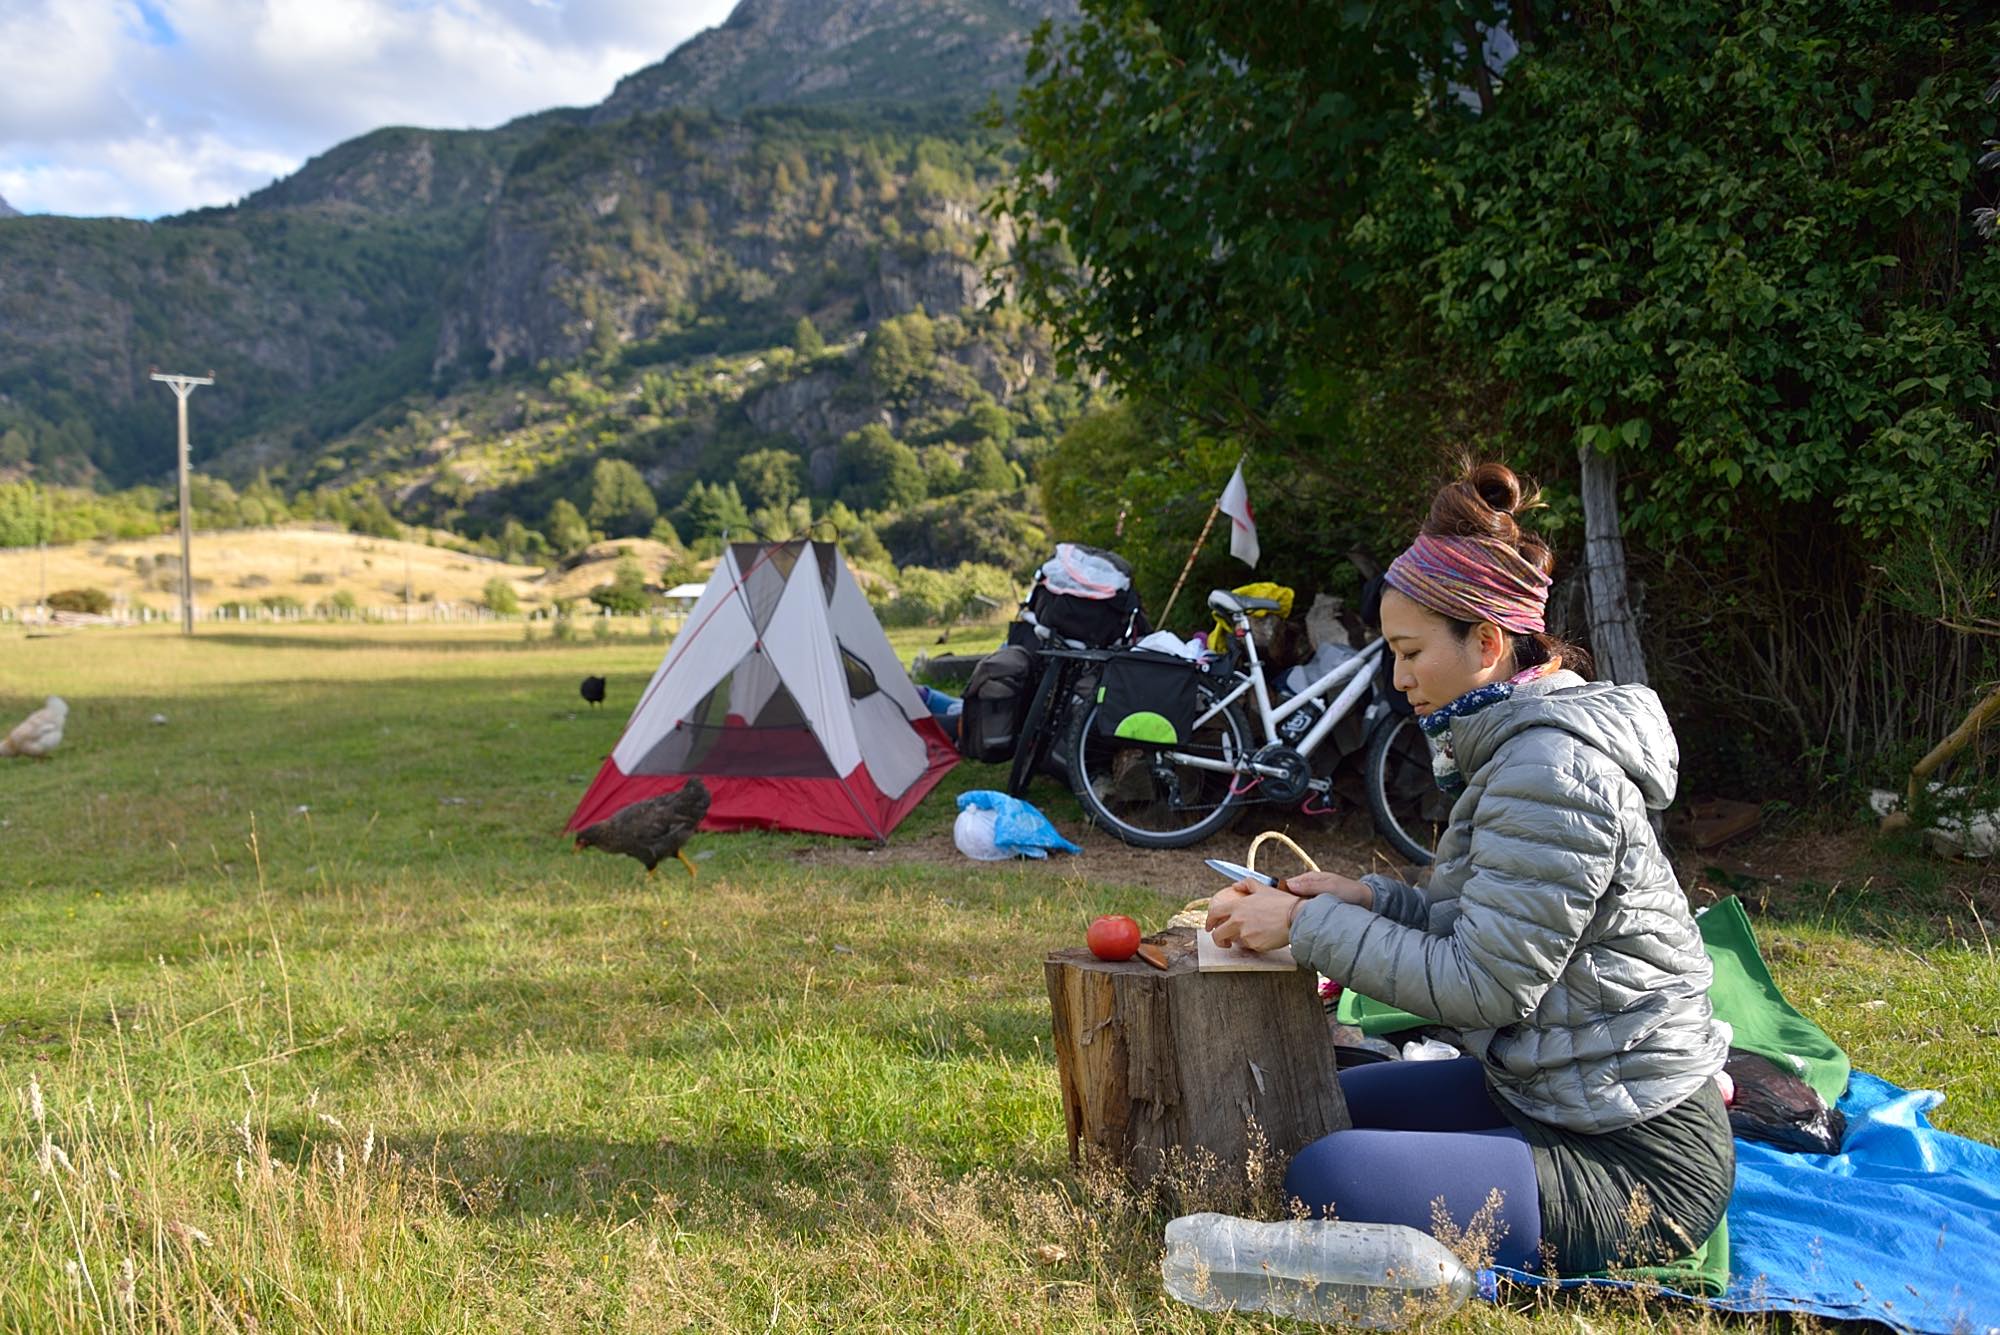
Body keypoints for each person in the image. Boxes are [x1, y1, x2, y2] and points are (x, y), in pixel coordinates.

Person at [1206, 462, 1732, 1275]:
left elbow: (1483, 984)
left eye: (1410, 651)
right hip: (1538, 1092)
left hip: (1637, 1159)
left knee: (1323, 1174)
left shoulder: (1552, 770)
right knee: (1300, 1110)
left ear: (1486, 644)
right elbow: (1479, 926)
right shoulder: (1508, 748)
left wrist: (1309, 926)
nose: (1398, 676)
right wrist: (1367, 897)